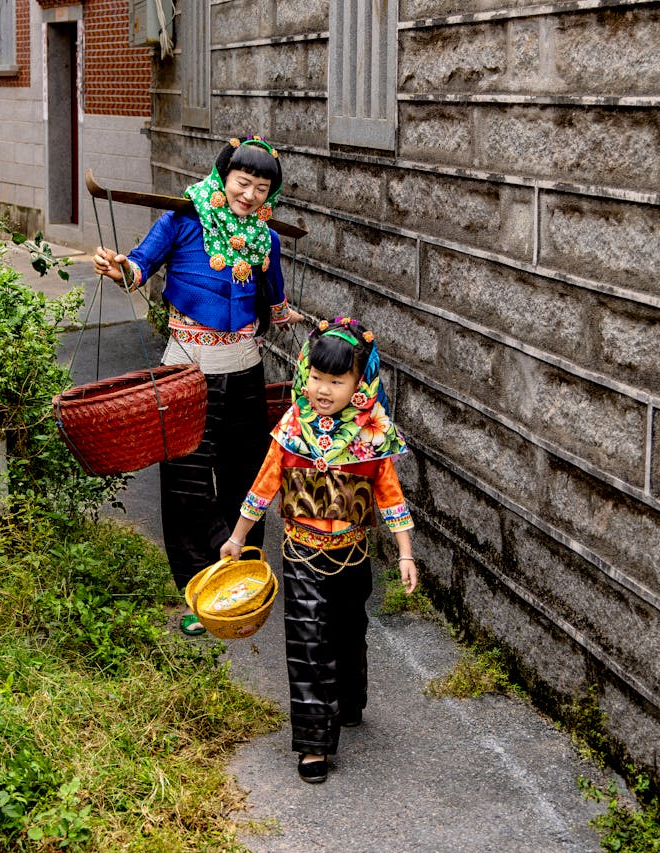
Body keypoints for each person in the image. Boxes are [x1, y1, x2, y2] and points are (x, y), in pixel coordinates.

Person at [93, 134, 301, 636]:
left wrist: (291, 316)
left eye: (261, 187)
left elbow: (273, 300)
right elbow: (139, 267)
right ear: (224, 178)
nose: (250, 195)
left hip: (245, 368)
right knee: (187, 483)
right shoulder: (183, 220)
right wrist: (120, 268)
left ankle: (243, 581)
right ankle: (198, 589)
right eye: (242, 182)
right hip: (188, 369)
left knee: (246, 478)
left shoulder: (265, 239)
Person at [219, 316, 417, 784]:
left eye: (336, 380)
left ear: (359, 382)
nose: (323, 389)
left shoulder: (372, 433)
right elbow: (265, 483)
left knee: (348, 630)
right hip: (300, 555)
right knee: (307, 642)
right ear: (304, 372)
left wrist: (405, 553)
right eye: (315, 377)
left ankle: (349, 701)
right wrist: (238, 536)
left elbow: (389, 494)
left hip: (352, 554)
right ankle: (313, 744)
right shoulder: (292, 427)